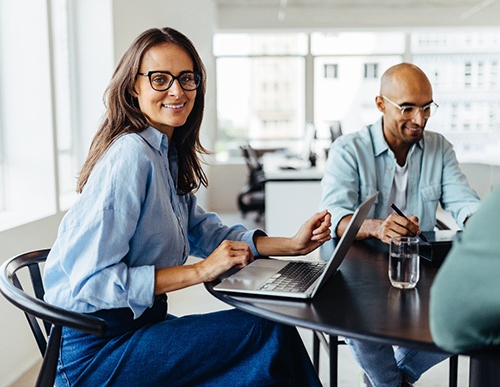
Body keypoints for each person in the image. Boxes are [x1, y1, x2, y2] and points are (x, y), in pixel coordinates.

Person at [42, 27, 332, 387]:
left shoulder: (166, 154)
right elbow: (91, 284)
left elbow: (205, 231)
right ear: (134, 86)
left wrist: (290, 244)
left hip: (139, 327)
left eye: (186, 78)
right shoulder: (131, 155)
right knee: (265, 333)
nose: (177, 91)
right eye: (160, 79)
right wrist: (201, 272)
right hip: (96, 349)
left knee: (268, 347)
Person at [320, 62, 481, 387]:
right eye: (407, 108)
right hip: (357, 267)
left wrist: (482, 224)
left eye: (426, 108)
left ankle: (393, 378)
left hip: (416, 264)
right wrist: (377, 227)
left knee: (475, 309)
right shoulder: (349, 150)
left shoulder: (439, 148)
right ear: (381, 104)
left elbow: (463, 201)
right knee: (358, 315)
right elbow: (334, 216)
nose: (419, 119)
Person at [430, 186, 500, 353]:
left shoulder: (441, 158)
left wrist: (480, 224)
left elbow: (449, 325)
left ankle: (390, 378)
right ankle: (390, 379)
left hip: (422, 257)